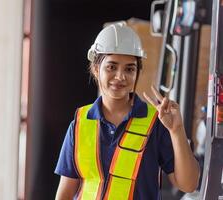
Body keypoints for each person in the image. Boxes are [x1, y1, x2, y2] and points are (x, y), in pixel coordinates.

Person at [54, 22, 200, 200]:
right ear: (96, 69)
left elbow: (189, 184)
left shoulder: (155, 122)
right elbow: (65, 192)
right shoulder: (80, 123)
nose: (120, 77)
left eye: (129, 69)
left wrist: (177, 130)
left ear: (137, 72)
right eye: (111, 67)